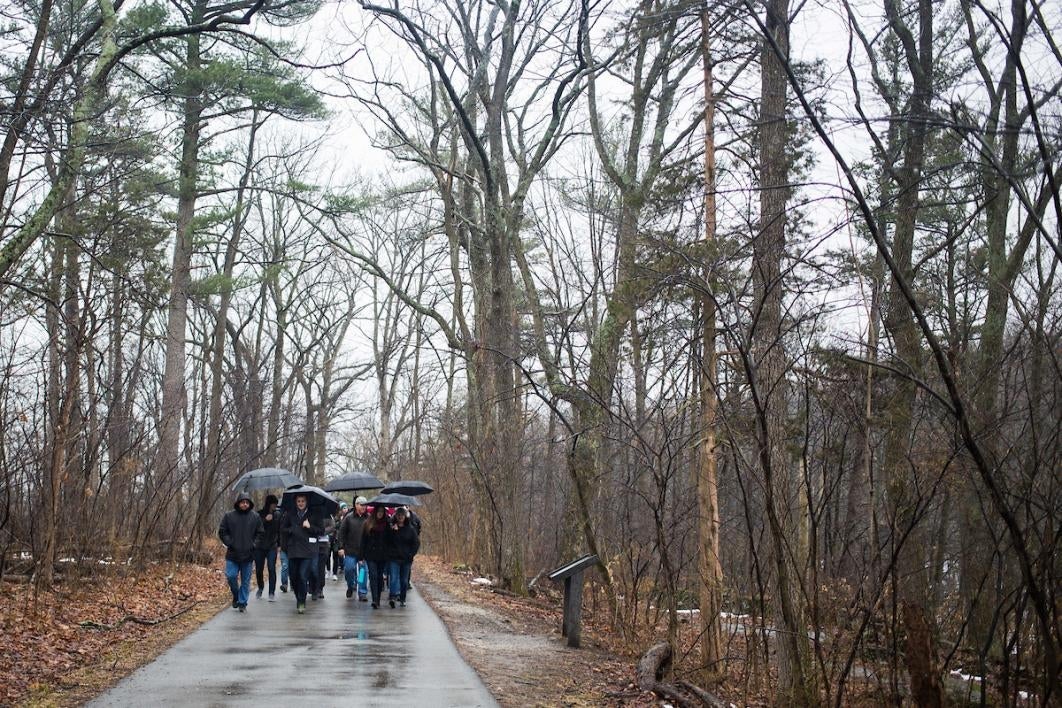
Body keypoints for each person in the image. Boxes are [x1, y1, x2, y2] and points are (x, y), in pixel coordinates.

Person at [218, 492, 264, 613]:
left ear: (250, 504)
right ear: (238, 503)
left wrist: (254, 545)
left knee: (245, 581)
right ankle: (236, 595)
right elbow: (222, 531)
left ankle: (242, 602)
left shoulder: (255, 517)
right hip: (233, 554)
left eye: (247, 502)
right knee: (231, 576)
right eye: (242, 502)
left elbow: (260, 533)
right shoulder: (229, 516)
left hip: (248, 555)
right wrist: (230, 542)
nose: (244, 504)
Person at [280, 493, 324, 614]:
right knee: (293, 577)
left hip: (307, 551)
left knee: (302, 576)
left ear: (306, 502)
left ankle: (301, 601)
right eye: (298, 501)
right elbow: (282, 529)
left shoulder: (314, 514)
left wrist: (309, 527)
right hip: (293, 550)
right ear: (295, 502)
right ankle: (298, 596)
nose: (300, 503)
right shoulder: (290, 514)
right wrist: (291, 530)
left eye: (303, 501)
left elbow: (321, 531)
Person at [360, 505, 392, 609]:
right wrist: (361, 556)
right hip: (370, 554)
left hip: (383, 555)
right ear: (375, 512)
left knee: (379, 576)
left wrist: (393, 529)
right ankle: (374, 599)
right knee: (373, 575)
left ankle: (377, 598)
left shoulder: (387, 524)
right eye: (378, 511)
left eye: (382, 512)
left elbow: (391, 540)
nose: (380, 513)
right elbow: (363, 541)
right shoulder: (368, 523)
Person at [337, 496, 369, 600]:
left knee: (363, 572)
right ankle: (350, 586)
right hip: (350, 550)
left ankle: (362, 592)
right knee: (349, 570)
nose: (363, 507)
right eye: (361, 504)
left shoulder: (368, 518)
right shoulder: (349, 518)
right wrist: (341, 547)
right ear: (356, 505)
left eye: (365, 505)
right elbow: (341, 533)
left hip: (363, 552)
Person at [387, 507, 420, 608]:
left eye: (402, 515)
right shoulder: (392, 528)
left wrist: (411, 554)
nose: (400, 517)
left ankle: (402, 598)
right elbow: (388, 542)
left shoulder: (410, 529)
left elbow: (416, 543)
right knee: (393, 578)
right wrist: (393, 532)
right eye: (398, 515)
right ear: (396, 516)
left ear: (405, 516)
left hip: (406, 559)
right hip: (394, 558)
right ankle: (392, 597)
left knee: (404, 580)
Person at [254, 494, 281, 600]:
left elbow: (279, 530)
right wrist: (265, 520)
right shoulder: (259, 514)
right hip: (260, 545)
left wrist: (279, 544)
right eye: (273, 504)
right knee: (259, 569)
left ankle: (271, 592)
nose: (275, 506)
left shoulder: (278, 515)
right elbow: (255, 528)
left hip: (272, 546)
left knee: (271, 568)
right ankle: (260, 588)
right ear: (269, 504)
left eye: (276, 504)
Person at [312, 512, 335, 600]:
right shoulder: (311, 514)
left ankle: (320, 588)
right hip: (312, 545)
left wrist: (322, 531)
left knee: (321, 568)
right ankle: (312, 587)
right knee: (313, 568)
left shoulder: (328, 515)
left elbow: (332, 527)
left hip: (324, 545)